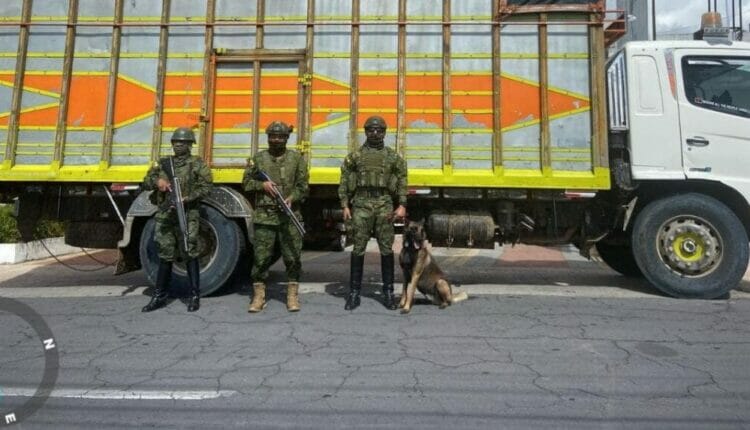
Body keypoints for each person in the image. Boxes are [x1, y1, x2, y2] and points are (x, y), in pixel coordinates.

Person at [141, 127, 213, 313]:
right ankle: (159, 296)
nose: (178, 145)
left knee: (190, 251)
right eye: (175, 142)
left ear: (190, 145)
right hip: (166, 215)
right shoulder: (163, 164)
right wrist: (158, 183)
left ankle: (194, 295)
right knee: (165, 254)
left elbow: (207, 187)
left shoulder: (197, 164)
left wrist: (187, 198)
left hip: (188, 214)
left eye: (183, 142)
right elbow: (146, 182)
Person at [338, 116, 407, 311]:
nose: (375, 133)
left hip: (384, 203)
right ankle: (353, 294)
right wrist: (345, 205)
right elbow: (344, 181)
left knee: (386, 249)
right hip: (361, 203)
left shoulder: (393, 157)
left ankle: (387, 293)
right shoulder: (355, 157)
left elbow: (402, 180)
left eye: (379, 130)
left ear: (384, 133)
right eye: (371, 130)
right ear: (365, 132)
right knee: (358, 248)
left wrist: (402, 204)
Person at [243, 121, 309, 313]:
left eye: (280, 137)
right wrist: (261, 186)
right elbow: (246, 182)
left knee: (293, 257)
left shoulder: (296, 159)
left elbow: (303, 187)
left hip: (289, 216)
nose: (276, 140)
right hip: (265, 216)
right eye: (273, 136)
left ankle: (292, 296)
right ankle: (258, 296)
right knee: (261, 258)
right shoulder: (259, 159)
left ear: (286, 138)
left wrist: (292, 198)